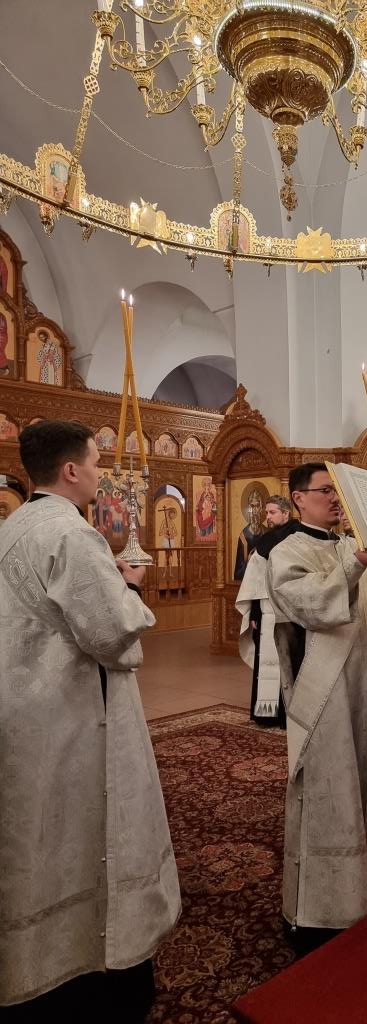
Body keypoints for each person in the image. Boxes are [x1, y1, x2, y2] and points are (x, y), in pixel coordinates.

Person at [0, 420, 180, 1023]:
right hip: (74, 710)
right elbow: (110, 634)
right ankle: (92, 964)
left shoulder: (13, 526)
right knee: (87, 828)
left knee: (36, 830)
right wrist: (132, 589)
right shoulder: (73, 534)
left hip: (23, 700)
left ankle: (34, 956)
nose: (102, 475)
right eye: (97, 464)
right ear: (71, 470)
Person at [266, 463, 367, 946]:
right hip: (329, 694)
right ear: (298, 498)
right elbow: (310, 605)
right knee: (333, 791)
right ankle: (327, 905)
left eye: (338, 491)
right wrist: (357, 564)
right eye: (325, 491)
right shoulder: (288, 551)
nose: (335, 499)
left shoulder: (352, 544)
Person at [235, 495, 295, 726]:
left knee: (290, 660)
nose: (267, 517)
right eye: (267, 512)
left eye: (272, 512)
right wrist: (255, 613)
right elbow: (256, 581)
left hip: (291, 611)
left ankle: (289, 715)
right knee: (267, 662)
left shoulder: (298, 536)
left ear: (286, 513)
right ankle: (266, 714)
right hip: (266, 610)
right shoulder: (264, 540)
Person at [234, 490, 264, 581]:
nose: (255, 510)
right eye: (252, 506)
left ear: (261, 508)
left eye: (257, 506)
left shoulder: (267, 532)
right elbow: (238, 572)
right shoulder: (243, 536)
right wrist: (249, 561)